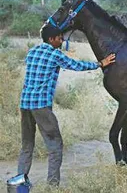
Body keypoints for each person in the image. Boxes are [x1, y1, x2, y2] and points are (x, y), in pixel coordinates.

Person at [7, 26, 115, 187]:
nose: (62, 40)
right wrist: (101, 63)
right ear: (51, 39)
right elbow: (76, 65)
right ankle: (52, 185)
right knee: (55, 145)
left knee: (27, 145)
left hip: (25, 104)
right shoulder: (54, 54)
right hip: (41, 105)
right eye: (59, 38)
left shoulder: (32, 52)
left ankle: (19, 183)